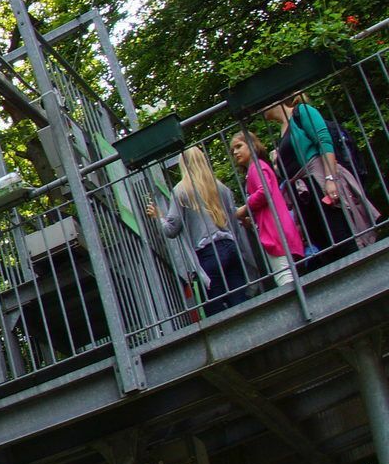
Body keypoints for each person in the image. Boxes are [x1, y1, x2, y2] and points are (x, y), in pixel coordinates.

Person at [264, 95, 379, 267]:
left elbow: (323, 140)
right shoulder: (282, 129)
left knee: (341, 236)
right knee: (325, 246)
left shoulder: (301, 112)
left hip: (319, 184)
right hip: (305, 196)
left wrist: (330, 178)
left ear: (276, 100)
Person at [145, 146, 250, 313]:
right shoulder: (220, 186)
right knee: (241, 300)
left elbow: (171, 229)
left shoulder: (181, 190)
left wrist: (159, 217)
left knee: (216, 309)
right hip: (231, 246)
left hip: (208, 253)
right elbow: (233, 215)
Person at [232, 131, 303, 285]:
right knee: (290, 274)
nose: (235, 152)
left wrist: (244, 209)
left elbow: (264, 191)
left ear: (252, 145)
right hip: (277, 226)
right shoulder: (259, 167)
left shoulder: (256, 167)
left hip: (274, 230)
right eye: (233, 150)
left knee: (284, 278)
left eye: (239, 146)